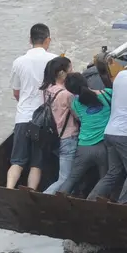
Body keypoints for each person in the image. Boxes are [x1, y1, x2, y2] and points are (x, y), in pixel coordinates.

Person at [88, 46, 127, 203]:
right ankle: (123, 207)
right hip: (125, 134)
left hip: (110, 132)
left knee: (114, 172)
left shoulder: (120, 75)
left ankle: (90, 201)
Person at [6, 23, 57, 189]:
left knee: (17, 161)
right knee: (37, 163)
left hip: (22, 117)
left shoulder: (18, 62)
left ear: (30, 40)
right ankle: (31, 192)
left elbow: (16, 93)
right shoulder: (55, 60)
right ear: (47, 40)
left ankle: (9, 188)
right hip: (44, 121)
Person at [53, 72, 113, 196]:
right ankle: (98, 205)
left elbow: (79, 118)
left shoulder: (75, 103)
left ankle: (57, 201)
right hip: (103, 147)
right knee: (104, 181)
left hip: (83, 147)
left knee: (71, 179)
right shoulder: (107, 94)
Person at [39, 57, 79, 194]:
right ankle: (44, 198)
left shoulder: (47, 90)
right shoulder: (67, 94)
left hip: (53, 136)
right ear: (62, 73)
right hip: (69, 137)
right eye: (71, 69)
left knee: (64, 175)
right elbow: (78, 115)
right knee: (65, 178)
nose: (72, 72)